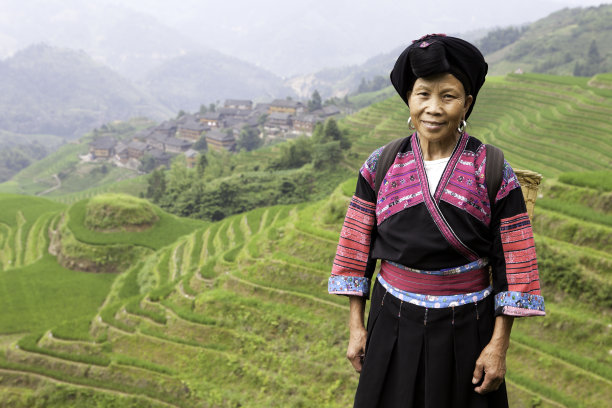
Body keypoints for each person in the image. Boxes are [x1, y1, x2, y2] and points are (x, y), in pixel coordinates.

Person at [328, 34, 545, 408]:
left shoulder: (492, 169)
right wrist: (356, 327)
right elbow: (354, 252)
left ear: (467, 104)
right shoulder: (381, 165)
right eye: (423, 94)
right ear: (408, 101)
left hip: (469, 328)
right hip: (391, 322)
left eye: (448, 96)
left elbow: (515, 264)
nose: (433, 107)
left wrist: (498, 345)